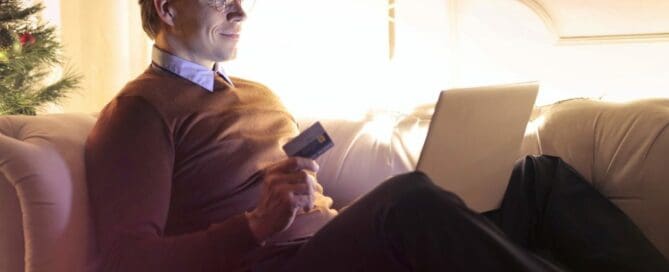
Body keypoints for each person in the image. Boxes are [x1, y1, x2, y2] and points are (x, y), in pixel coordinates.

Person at [85, 0, 669, 271]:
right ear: (165, 8)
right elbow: (125, 259)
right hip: (275, 265)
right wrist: (254, 226)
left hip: (336, 247)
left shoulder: (257, 90)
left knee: (534, 178)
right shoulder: (139, 112)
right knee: (405, 201)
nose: (241, 9)